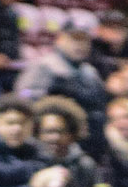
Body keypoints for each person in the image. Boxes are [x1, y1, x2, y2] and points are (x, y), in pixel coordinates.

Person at [16, 18, 107, 146]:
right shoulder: (45, 66)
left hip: (88, 138)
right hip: (53, 139)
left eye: (85, 40)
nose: (80, 45)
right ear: (60, 39)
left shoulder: (91, 72)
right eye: (75, 39)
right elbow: (24, 98)